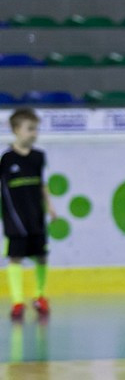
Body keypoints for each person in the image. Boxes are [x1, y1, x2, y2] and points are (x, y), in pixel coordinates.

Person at [1, 108, 56, 319]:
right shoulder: (6, 159)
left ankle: (39, 296)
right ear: (16, 130)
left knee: (41, 256)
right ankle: (17, 301)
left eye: (36, 129)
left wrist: (49, 205)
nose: (34, 133)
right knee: (15, 257)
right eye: (30, 129)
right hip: (14, 218)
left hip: (36, 217)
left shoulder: (38, 157)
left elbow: (42, 183)